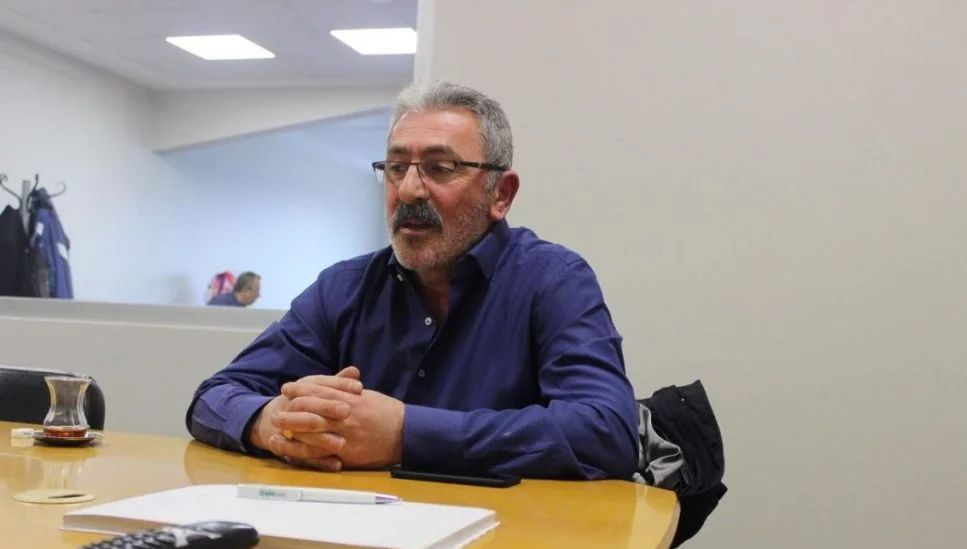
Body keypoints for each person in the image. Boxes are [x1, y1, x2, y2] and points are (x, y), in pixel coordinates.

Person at [186, 81, 637, 480]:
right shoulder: (344, 287)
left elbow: (607, 431)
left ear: (500, 194)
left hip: (504, 539)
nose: (408, 190)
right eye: (396, 167)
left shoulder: (553, 280)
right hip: (358, 535)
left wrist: (404, 433)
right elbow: (213, 398)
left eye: (441, 168)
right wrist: (273, 422)